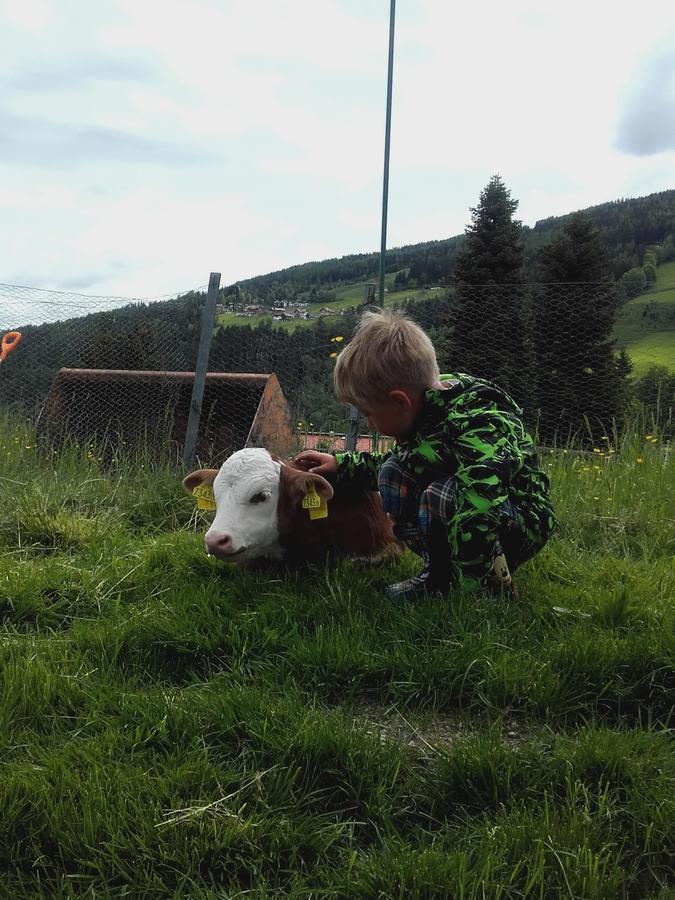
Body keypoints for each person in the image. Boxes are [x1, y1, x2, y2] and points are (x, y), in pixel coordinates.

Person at [293, 310, 555, 601]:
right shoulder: (424, 411)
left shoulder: (478, 423)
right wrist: (341, 464)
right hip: (471, 510)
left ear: (399, 401)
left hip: (518, 520)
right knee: (392, 472)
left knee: (438, 495)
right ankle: (438, 573)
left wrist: (466, 586)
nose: (369, 424)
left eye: (369, 414)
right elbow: (409, 462)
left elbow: (481, 505)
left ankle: (485, 587)